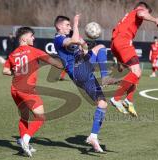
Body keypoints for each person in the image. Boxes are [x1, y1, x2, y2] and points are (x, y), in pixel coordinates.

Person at [54, 15, 112, 152]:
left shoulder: (69, 40)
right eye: (67, 25)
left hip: (82, 69)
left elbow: (82, 46)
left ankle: (93, 136)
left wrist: (83, 46)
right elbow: (73, 40)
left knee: (102, 103)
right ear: (59, 27)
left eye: (70, 25)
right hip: (78, 70)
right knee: (101, 47)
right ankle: (105, 77)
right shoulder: (58, 39)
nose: (69, 27)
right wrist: (75, 23)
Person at [2, 27, 63, 157]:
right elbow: (57, 64)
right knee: (40, 117)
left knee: (24, 116)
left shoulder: (13, 54)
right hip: (27, 89)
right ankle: (25, 140)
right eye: (31, 36)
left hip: (15, 90)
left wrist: (17, 71)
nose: (34, 38)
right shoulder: (34, 51)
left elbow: (5, 71)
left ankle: (24, 142)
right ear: (24, 38)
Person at [110, 1, 158, 117]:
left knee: (135, 74)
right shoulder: (138, 11)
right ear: (142, 8)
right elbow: (142, 14)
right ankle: (116, 98)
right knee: (136, 72)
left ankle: (129, 100)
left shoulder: (128, 16)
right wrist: (155, 20)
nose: (146, 15)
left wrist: (119, 62)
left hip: (114, 43)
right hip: (123, 41)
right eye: (147, 12)